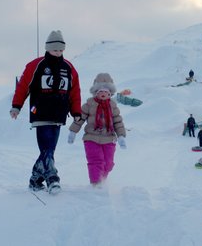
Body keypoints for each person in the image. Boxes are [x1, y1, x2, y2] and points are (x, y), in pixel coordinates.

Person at [11, 30, 82, 194]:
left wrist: (76, 111)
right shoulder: (36, 65)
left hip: (58, 115)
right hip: (40, 112)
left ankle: (35, 181)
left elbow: (74, 92)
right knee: (47, 150)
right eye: (55, 49)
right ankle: (52, 179)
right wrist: (16, 106)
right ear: (48, 48)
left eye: (61, 50)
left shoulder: (69, 68)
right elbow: (23, 86)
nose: (58, 53)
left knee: (48, 150)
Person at [68, 73, 126, 187]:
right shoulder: (89, 104)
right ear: (95, 92)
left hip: (109, 138)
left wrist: (121, 136)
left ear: (110, 93)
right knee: (96, 161)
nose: (103, 93)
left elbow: (118, 122)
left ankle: (102, 180)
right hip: (91, 138)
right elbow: (80, 119)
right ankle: (95, 183)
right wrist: (73, 131)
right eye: (100, 91)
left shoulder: (113, 106)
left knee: (108, 164)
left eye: (106, 91)